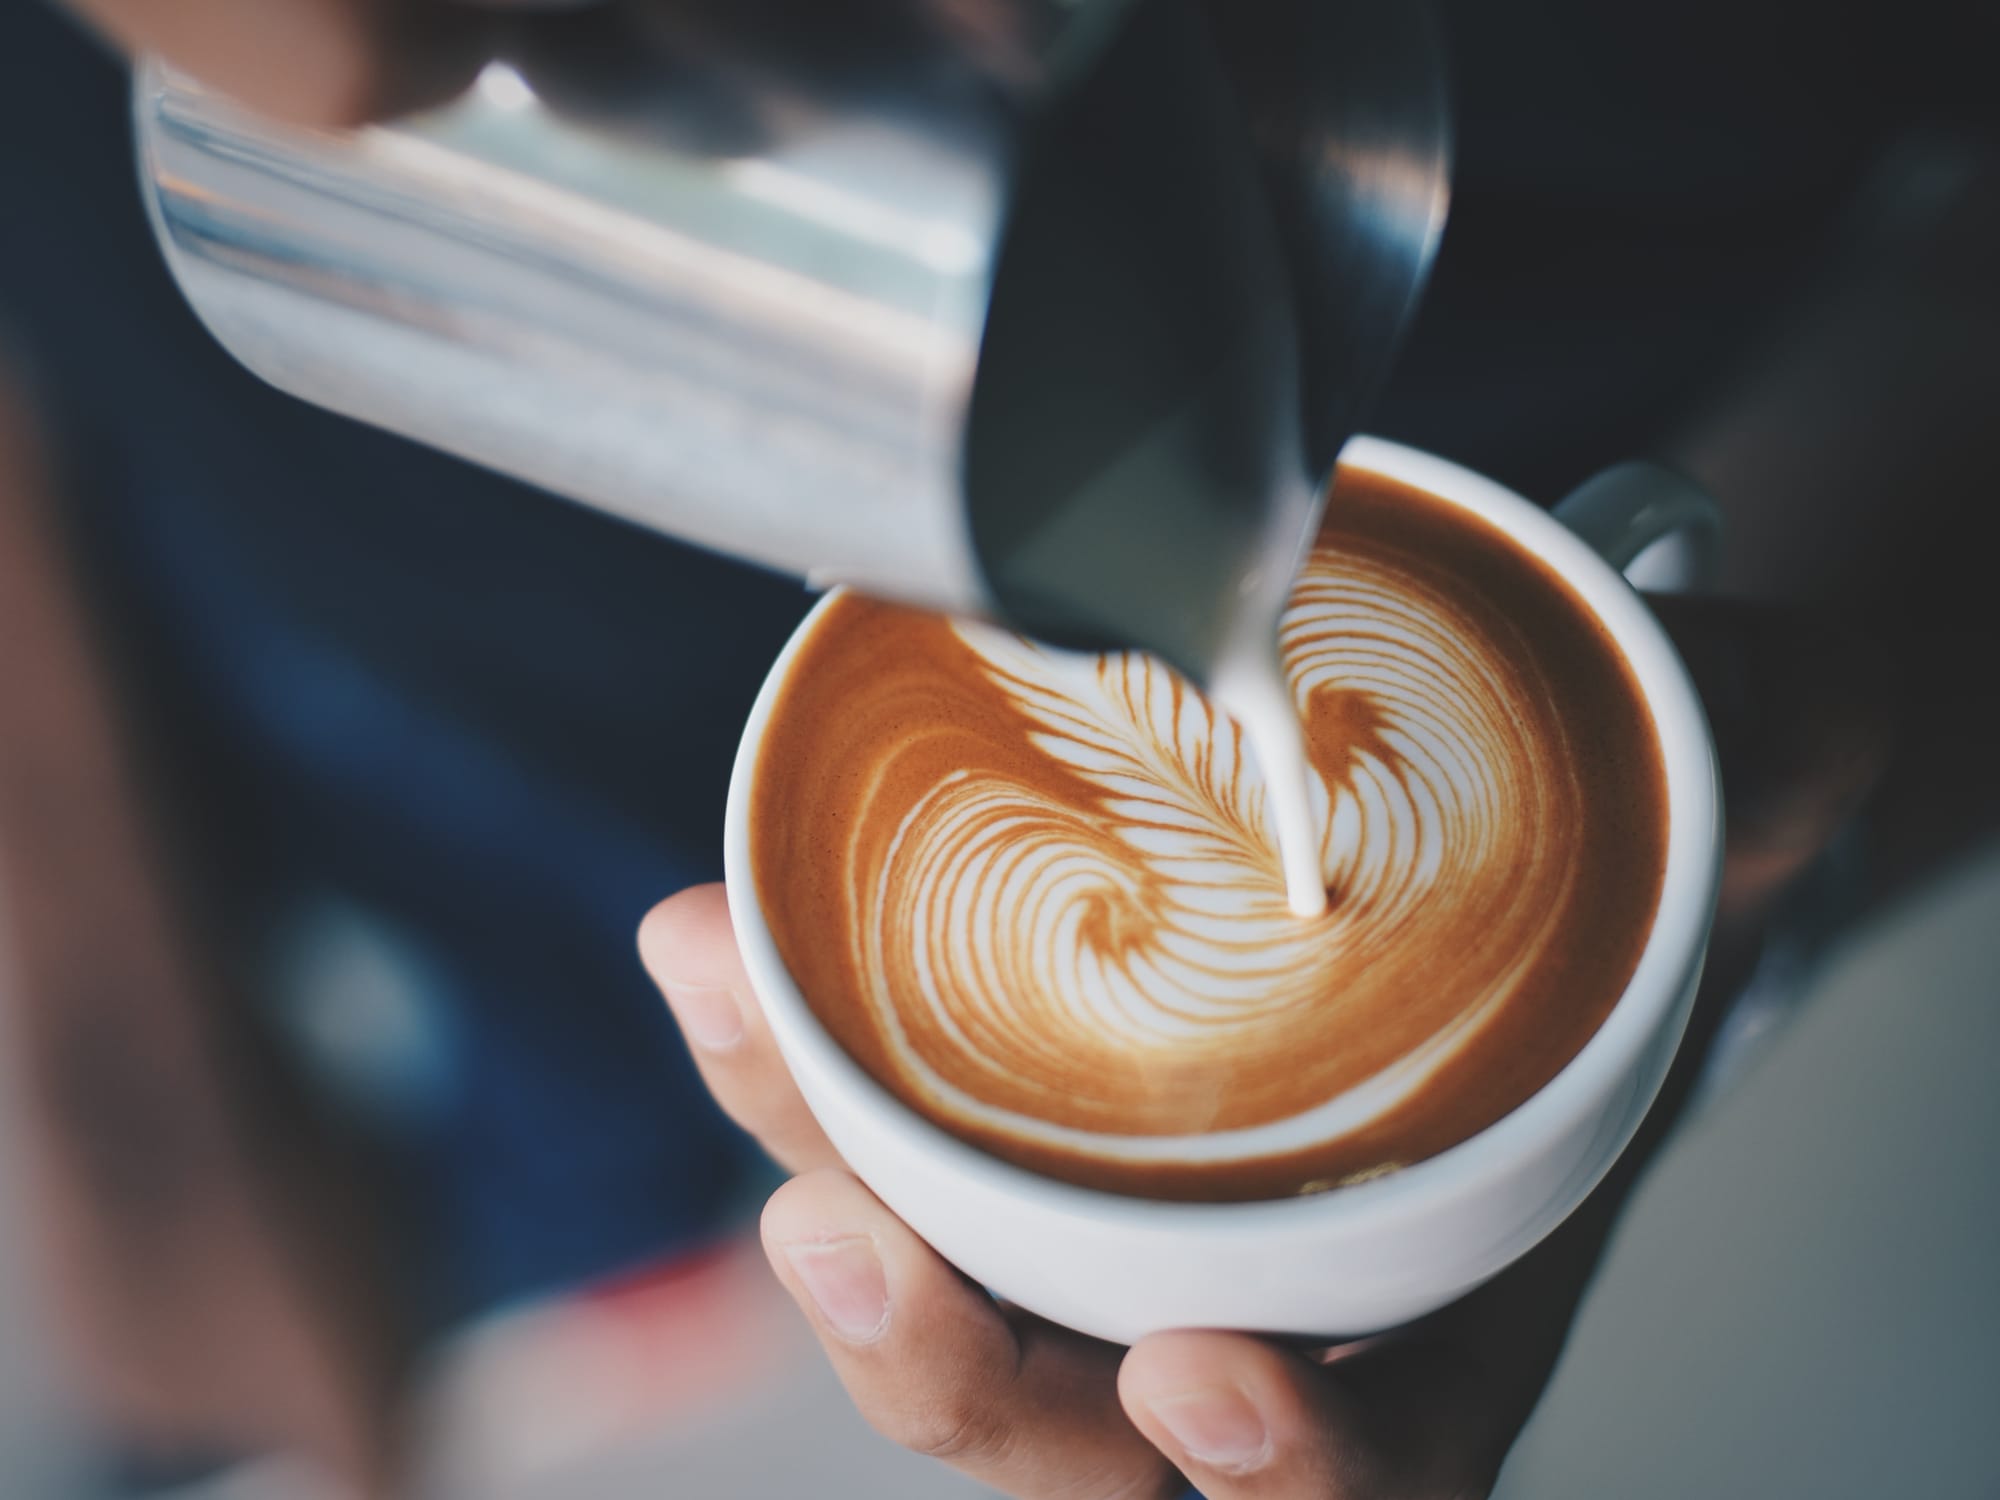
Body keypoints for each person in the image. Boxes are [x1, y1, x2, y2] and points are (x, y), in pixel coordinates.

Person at [3, 0, 1994, 1495]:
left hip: (1164, 580)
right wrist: (101, 1006)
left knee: (601, 1163)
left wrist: (1724, 887)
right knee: (449, 1162)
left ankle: (593, 1252)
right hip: (303, 581)